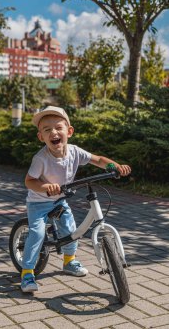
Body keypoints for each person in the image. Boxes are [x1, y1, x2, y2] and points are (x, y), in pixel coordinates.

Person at [21, 106, 131, 293]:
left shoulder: (74, 152)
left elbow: (97, 160)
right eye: (47, 130)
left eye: (58, 128)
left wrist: (114, 166)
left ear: (69, 131)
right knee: (38, 234)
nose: (53, 133)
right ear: (41, 137)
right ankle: (27, 272)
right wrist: (46, 187)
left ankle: (69, 261)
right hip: (38, 203)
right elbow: (29, 181)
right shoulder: (41, 159)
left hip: (59, 200)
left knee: (72, 229)